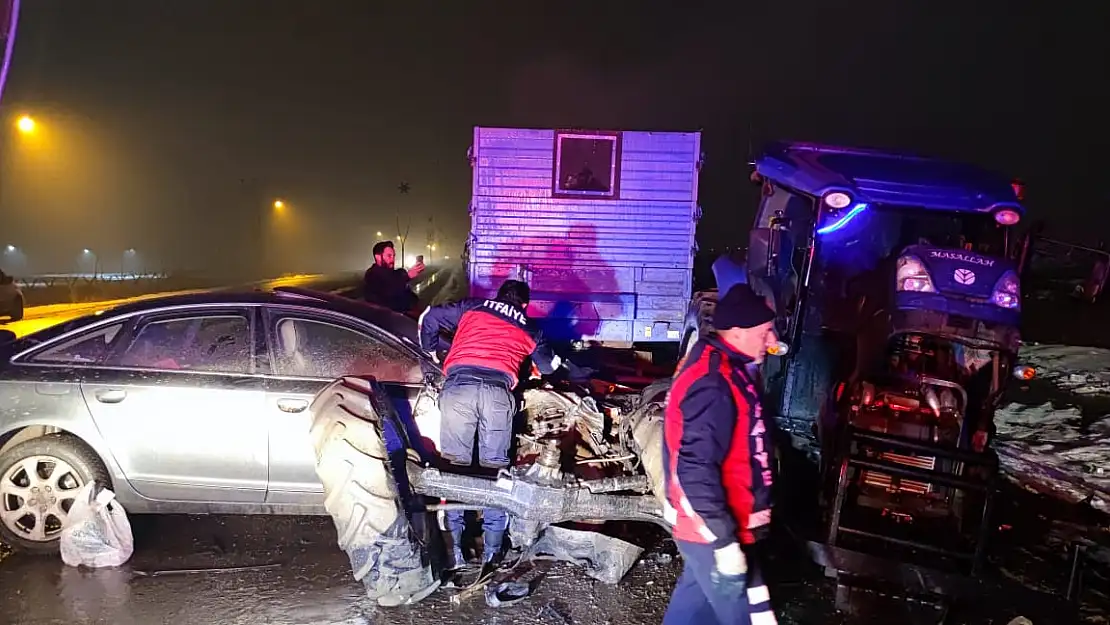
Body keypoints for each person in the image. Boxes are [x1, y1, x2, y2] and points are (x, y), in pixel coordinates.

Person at [418, 279, 561, 571]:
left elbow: (429, 316)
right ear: (523, 304)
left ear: (497, 296)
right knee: (496, 472)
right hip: (497, 394)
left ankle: (458, 550)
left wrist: (432, 351)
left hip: (459, 389)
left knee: (454, 469)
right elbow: (549, 367)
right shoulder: (530, 326)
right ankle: (492, 553)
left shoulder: (474, 306)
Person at [662, 283, 780, 625]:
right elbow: (695, 469)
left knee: (691, 615)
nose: (772, 342)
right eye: (766, 332)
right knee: (755, 619)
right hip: (714, 534)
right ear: (740, 332)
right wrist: (725, 544)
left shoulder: (729, 369)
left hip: (715, 531)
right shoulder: (714, 382)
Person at [363, 240, 425, 312]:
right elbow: (388, 292)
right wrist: (407, 276)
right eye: (389, 256)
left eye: (394, 256)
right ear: (378, 257)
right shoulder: (372, 275)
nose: (392, 259)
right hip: (389, 319)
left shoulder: (396, 273)